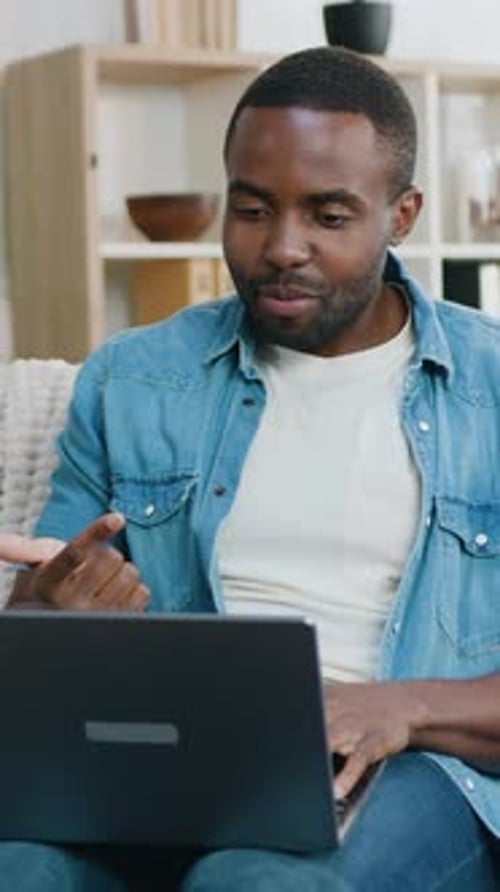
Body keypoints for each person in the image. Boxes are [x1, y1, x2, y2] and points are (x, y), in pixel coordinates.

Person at [2, 44, 500, 891]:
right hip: (174, 764)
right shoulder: (130, 380)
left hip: (412, 769)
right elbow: (40, 632)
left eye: (330, 216)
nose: (282, 248)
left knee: (251, 881)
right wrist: (52, 608)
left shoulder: (489, 386)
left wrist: (399, 707)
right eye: (254, 208)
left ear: (403, 213)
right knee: (23, 865)